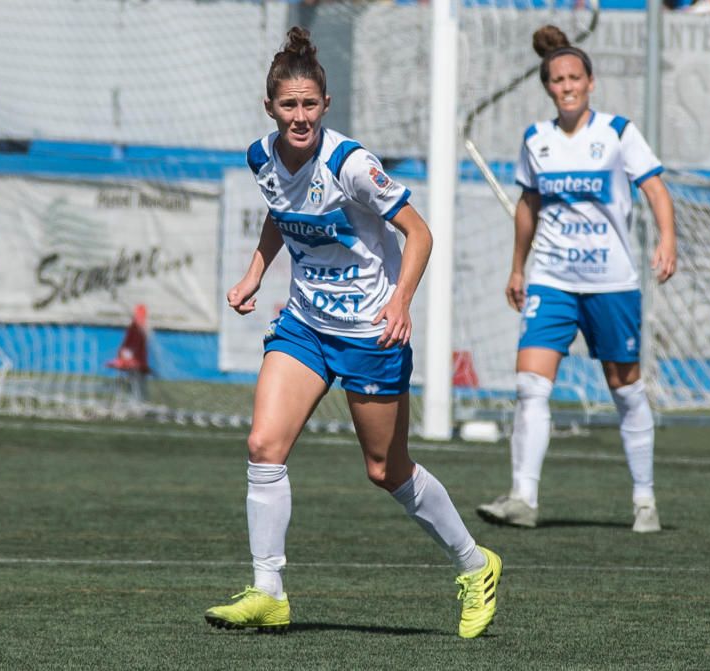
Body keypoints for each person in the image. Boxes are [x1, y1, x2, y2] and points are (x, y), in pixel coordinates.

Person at [204, 26, 501, 639]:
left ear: (326, 105)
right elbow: (278, 214)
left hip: (371, 332)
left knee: (385, 471)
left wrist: (401, 302)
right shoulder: (260, 157)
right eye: (288, 105)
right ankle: (269, 591)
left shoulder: (352, 164)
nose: (300, 116)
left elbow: (419, 233)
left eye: (310, 104)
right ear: (270, 108)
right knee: (263, 445)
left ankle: (477, 565)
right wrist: (254, 273)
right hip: (306, 326)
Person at [476, 25, 677, 534]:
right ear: (548, 86)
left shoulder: (617, 132)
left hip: (612, 282)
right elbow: (528, 206)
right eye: (557, 79)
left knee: (625, 388)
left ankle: (645, 500)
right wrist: (518, 266)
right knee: (530, 386)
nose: (566, 86)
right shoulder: (536, 140)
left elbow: (654, 188)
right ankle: (523, 497)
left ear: (590, 81)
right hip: (552, 280)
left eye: (574, 77)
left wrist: (667, 239)